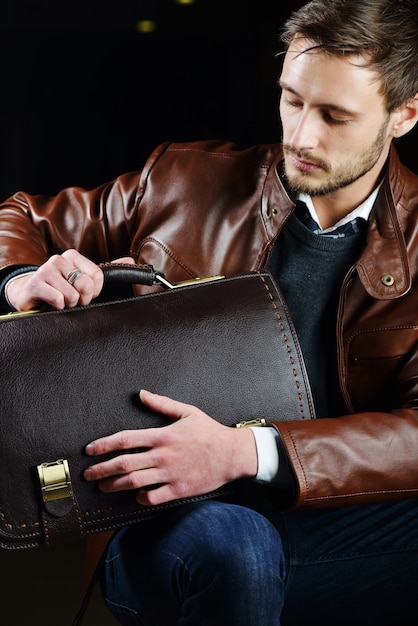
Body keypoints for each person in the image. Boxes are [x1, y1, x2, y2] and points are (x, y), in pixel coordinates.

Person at [1, 0, 418, 623]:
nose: (302, 136)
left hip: (343, 529)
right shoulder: (182, 181)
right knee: (237, 546)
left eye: (335, 116)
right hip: (169, 517)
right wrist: (24, 280)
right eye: (293, 100)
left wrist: (245, 452)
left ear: (403, 115)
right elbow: (23, 216)